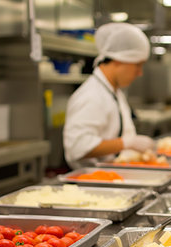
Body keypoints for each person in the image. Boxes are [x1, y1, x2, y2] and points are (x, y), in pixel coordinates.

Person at [63, 23, 155, 169]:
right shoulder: (91, 95)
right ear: (119, 60)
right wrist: (127, 143)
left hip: (112, 174)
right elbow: (77, 147)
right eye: (137, 65)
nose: (140, 73)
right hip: (92, 181)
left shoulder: (112, 91)